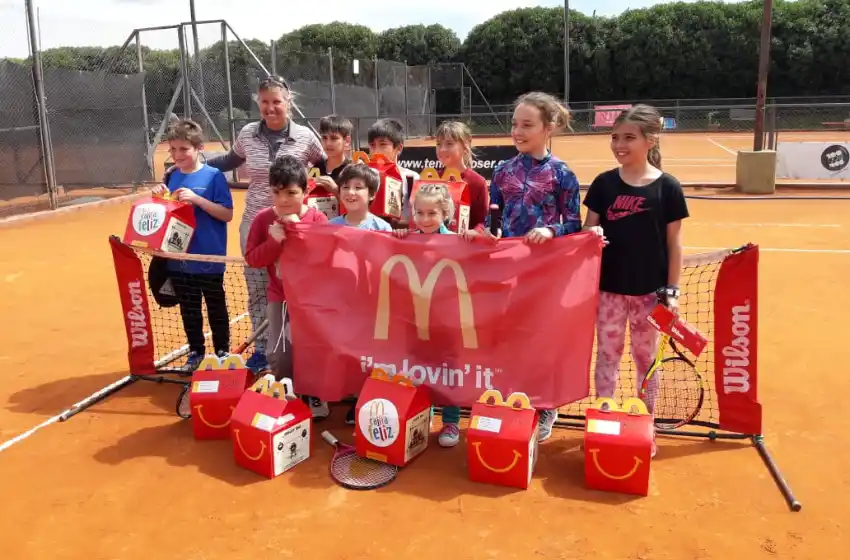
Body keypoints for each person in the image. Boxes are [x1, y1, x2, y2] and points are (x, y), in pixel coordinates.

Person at [466, 91, 589, 442]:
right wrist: (483, 235)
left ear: (547, 128)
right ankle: (512, 399)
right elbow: (493, 221)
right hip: (510, 272)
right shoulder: (503, 170)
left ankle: (546, 406)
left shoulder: (562, 174)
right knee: (509, 339)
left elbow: (573, 223)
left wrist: (550, 229)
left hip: (549, 273)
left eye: (526, 125)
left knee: (543, 339)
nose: (517, 131)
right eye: (515, 124)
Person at [582, 104, 689, 458]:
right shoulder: (603, 184)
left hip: (650, 296)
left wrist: (671, 291)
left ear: (650, 140)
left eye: (629, 137)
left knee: (647, 362)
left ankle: (646, 425)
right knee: (607, 358)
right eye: (615, 137)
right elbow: (588, 231)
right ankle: (603, 422)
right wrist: (592, 235)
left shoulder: (669, 188)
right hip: (609, 292)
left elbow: (674, 244)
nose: (619, 145)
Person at [205, 75, 326, 374]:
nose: (270, 108)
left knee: (301, 288)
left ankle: (304, 350)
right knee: (260, 288)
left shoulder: (306, 137)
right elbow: (230, 160)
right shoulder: (247, 134)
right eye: (264, 103)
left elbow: (327, 164)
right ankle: (262, 352)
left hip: (299, 225)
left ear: (288, 103)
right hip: (257, 223)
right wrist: (193, 165)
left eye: (276, 102)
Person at [243, 155, 331, 420]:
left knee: (313, 348)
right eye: (277, 192)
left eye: (291, 193)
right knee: (279, 353)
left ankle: (314, 392)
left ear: (306, 191)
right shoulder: (262, 219)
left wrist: (300, 236)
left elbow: (326, 260)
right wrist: (274, 242)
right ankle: (287, 390)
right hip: (279, 296)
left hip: (312, 300)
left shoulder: (318, 219)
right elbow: (253, 259)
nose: (283, 199)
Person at [153, 119, 234, 372]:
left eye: (184, 149)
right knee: (189, 310)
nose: (178, 155)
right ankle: (196, 353)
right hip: (179, 258)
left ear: (199, 148)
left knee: (215, 307)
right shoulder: (171, 176)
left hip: (209, 257)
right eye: (173, 149)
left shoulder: (214, 177)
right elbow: (164, 216)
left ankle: (222, 352)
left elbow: (226, 214)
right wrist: (158, 198)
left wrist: (198, 199)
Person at [392, 184, 462, 448]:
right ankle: (424, 412)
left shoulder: (457, 240)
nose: (425, 219)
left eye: (432, 213)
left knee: (449, 373)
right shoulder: (407, 240)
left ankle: (451, 420)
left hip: (447, 324)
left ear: (445, 212)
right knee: (418, 369)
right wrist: (398, 237)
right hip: (415, 322)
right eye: (419, 213)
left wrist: (472, 242)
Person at [328, 163, 392, 424]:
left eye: (358, 188)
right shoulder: (329, 227)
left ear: (372, 194)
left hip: (373, 305)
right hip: (342, 306)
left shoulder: (383, 228)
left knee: (373, 353)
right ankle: (354, 397)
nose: (351, 193)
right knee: (349, 352)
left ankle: (371, 398)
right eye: (346, 187)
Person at [435, 120, 488, 229]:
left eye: (449, 144)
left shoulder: (477, 182)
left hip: (465, 244)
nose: (442, 149)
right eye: (439, 144)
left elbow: (482, 223)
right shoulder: (430, 179)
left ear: (465, 147)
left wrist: (476, 231)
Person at [367, 118, 420, 228]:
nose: (376, 150)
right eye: (372, 145)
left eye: (383, 144)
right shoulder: (364, 175)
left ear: (399, 148)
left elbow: (418, 215)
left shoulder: (412, 178)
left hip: (400, 237)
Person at [311, 114, 354, 194]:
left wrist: (335, 190)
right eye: (324, 138)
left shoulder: (352, 171)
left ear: (347, 141)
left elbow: (356, 204)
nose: (328, 143)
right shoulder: (316, 168)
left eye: (334, 138)